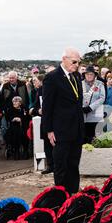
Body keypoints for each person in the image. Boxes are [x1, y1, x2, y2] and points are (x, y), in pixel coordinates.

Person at [42, 47, 84, 195]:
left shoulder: (76, 76)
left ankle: (73, 193)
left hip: (76, 129)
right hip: (60, 129)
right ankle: (61, 196)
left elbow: (78, 103)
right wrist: (48, 130)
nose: (77, 65)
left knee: (74, 163)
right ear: (64, 59)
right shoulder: (52, 77)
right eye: (74, 61)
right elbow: (47, 106)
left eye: (78, 62)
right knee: (61, 165)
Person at [30, 74, 54, 175]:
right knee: (47, 145)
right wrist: (38, 110)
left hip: (56, 120)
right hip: (45, 120)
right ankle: (50, 165)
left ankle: (58, 165)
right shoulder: (40, 90)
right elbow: (35, 106)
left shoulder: (55, 89)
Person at [82, 66, 106, 144]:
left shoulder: (99, 84)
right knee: (83, 139)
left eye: (91, 74)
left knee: (95, 139)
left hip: (95, 115)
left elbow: (102, 98)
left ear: (94, 75)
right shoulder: (80, 84)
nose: (89, 76)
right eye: (87, 74)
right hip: (83, 115)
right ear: (84, 75)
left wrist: (91, 107)